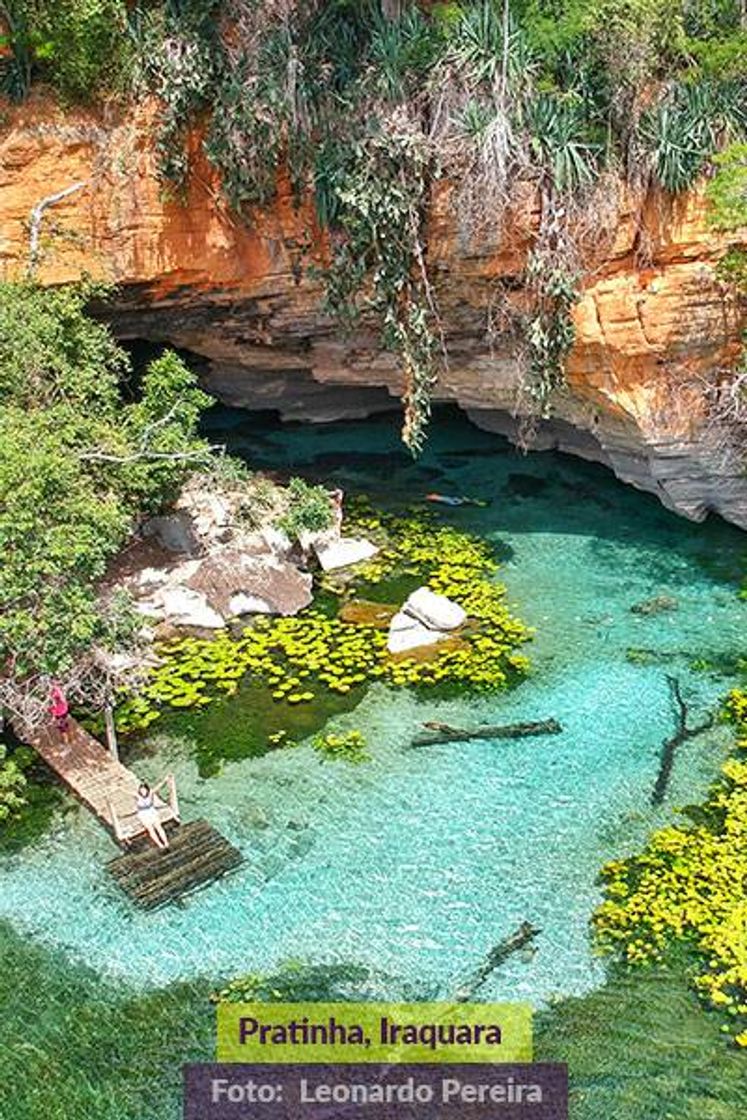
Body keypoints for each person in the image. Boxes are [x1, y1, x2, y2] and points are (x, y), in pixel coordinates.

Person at [135, 781, 170, 850]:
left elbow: (158, 787)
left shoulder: (150, 794)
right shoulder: (137, 796)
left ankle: (166, 842)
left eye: (144, 790)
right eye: (141, 790)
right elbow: (128, 792)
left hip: (151, 812)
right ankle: (160, 844)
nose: (143, 792)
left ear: (147, 790)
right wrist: (119, 788)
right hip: (143, 815)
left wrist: (166, 780)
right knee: (150, 830)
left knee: (158, 827)